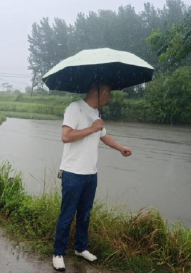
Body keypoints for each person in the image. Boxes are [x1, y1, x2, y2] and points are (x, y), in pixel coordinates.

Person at [52, 83, 132, 271]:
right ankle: (58, 253)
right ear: (99, 92)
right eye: (108, 94)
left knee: (85, 214)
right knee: (67, 214)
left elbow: (103, 136)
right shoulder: (75, 108)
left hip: (90, 173)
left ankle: (81, 248)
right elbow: (66, 136)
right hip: (72, 172)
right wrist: (92, 128)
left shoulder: (96, 114)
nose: (109, 98)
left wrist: (120, 147)